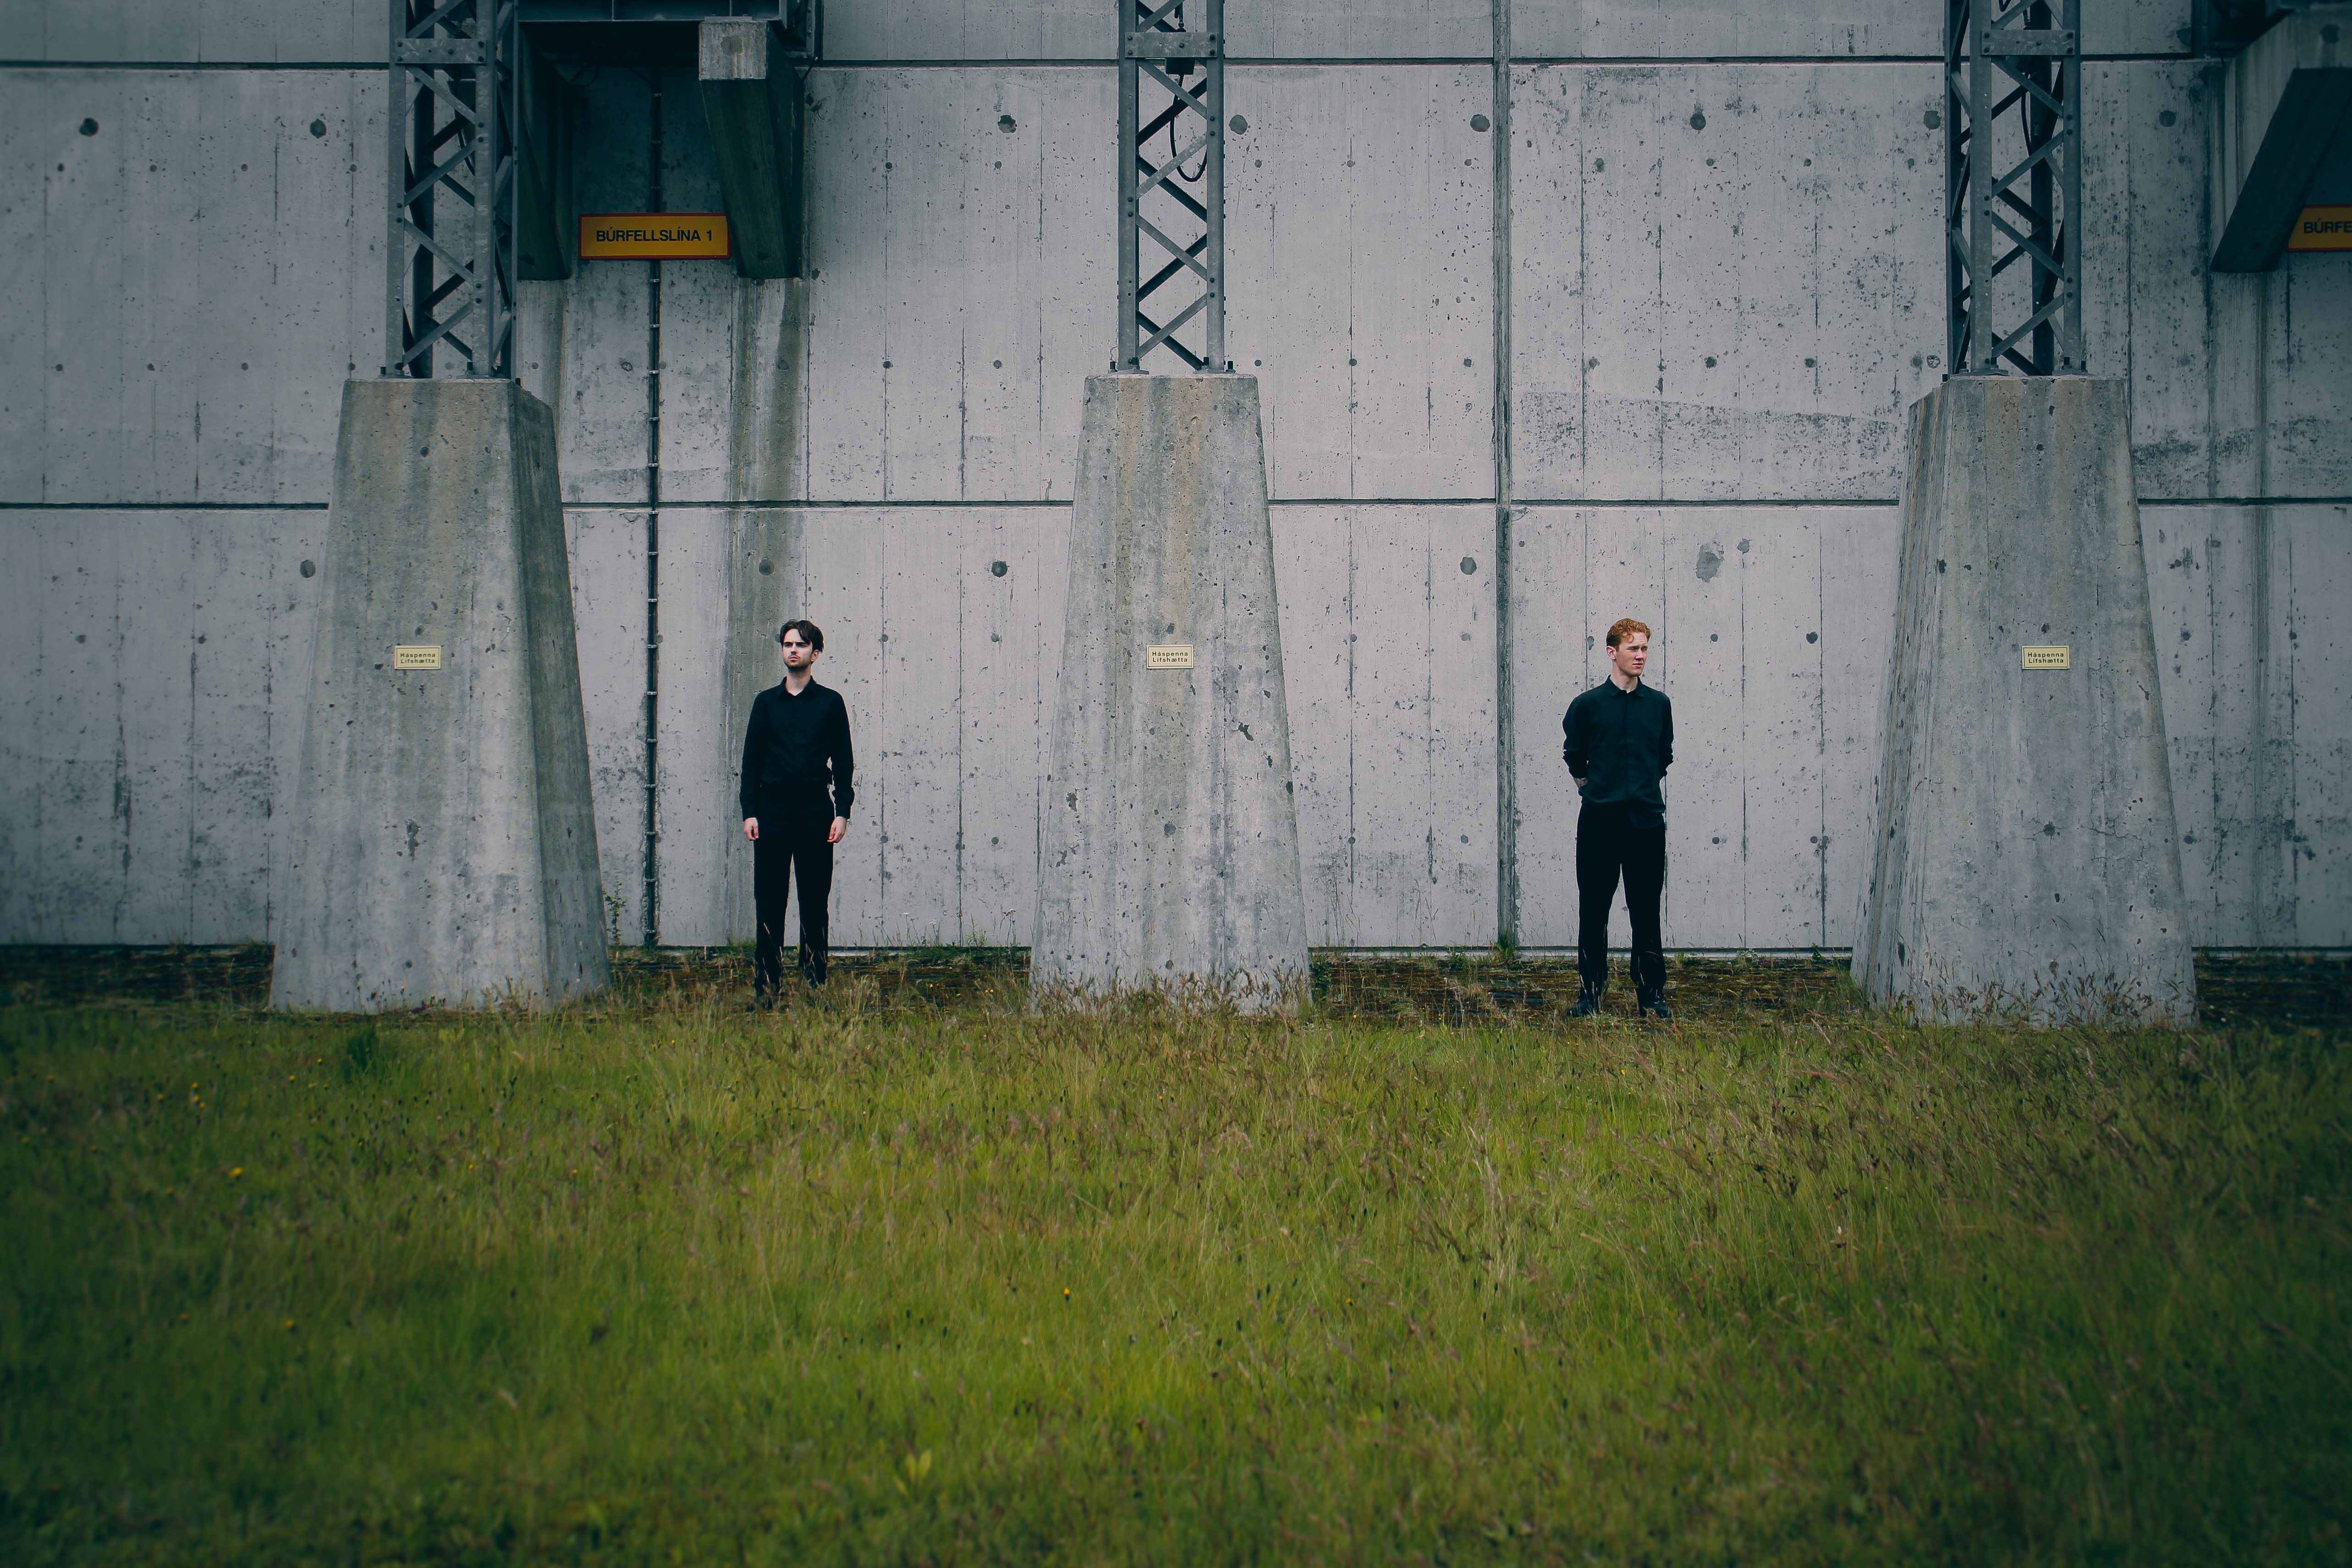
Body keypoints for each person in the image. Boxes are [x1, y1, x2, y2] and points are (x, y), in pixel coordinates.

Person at [1561, 618, 1673, 1020]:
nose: (1641, 656)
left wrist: (1638, 788)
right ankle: (1590, 995)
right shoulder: (1587, 705)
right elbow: (1574, 755)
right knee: (1593, 907)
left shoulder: (1659, 704)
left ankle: (1651, 996)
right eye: (1633, 649)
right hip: (1599, 822)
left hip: (1645, 822)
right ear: (1613, 652)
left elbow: (1663, 756)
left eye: (1645, 649)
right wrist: (1595, 787)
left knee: (1646, 909)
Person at [739, 619, 855, 1002]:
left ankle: (813, 984)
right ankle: (767, 986)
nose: (793, 650)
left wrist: (842, 812)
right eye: (788, 644)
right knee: (769, 900)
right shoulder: (765, 703)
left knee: (814, 900)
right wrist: (750, 811)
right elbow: (751, 761)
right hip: (771, 813)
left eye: (801, 645)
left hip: (814, 813)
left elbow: (843, 761)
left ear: (815, 654)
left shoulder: (830, 703)